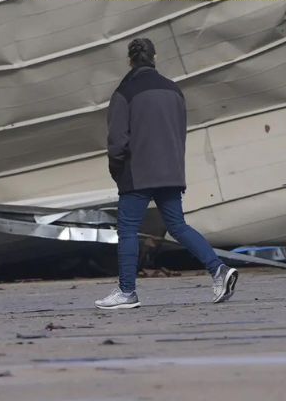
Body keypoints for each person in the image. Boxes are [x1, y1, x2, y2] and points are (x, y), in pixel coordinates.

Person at [96, 38, 238, 310]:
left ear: (129, 60)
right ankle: (218, 270)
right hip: (171, 172)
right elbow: (179, 132)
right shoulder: (174, 91)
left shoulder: (123, 92)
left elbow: (117, 141)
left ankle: (127, 292)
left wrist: (118, 172)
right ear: (155, 57)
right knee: (178, 226)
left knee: (127, 230)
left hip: (137, 173)